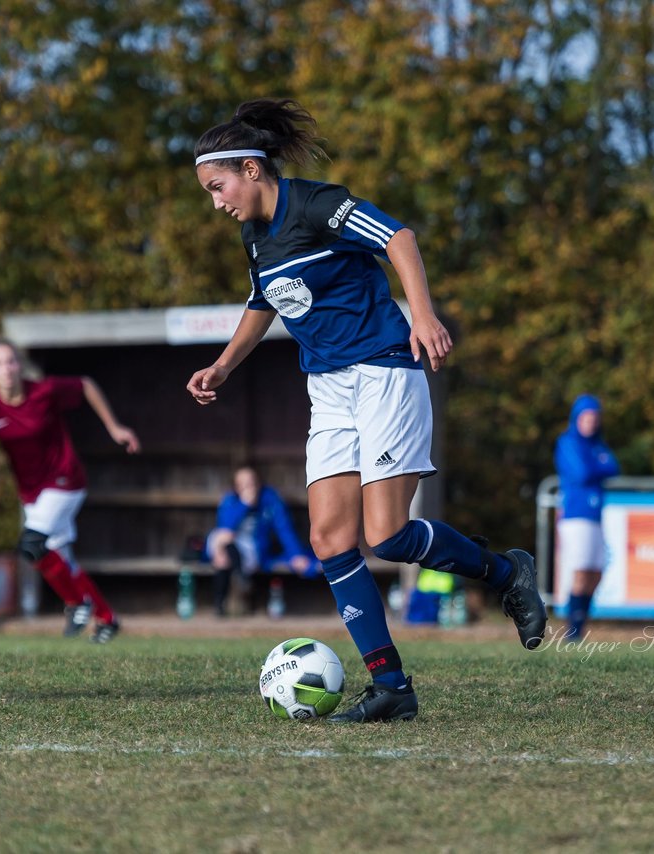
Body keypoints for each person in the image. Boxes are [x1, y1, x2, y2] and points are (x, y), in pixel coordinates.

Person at [186, 98, 547, 723]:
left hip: (383, 372)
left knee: (388, 536)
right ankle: (391, 687)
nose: (216, 202)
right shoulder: (253, 235)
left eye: (217, 187)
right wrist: (222, 365)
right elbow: (263, 301)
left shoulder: (319, 204)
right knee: (330, 540)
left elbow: (398, 236)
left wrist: (422, 313)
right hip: (326, 389)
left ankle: (503, 571)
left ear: (250, 169)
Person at [0, 338, 140, 643]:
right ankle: (107, 618)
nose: (6, 369)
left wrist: (114, 427)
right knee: (63, 561)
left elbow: (86, 385)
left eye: (11, 361)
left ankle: (77, 602)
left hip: (65, 480)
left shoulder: (43, 390)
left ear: (19, 365)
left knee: (31, 543)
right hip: (32, 493)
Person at [207, 464, 317, 617]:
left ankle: (223, 601)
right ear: (236, 487)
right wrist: (244, 505)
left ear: (258, 483)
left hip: (252, 550)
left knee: (223, 550)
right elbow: (225, 527)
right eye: (243, 484)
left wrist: (296, 554)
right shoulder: (230, 501)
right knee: (222, 541)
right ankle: (238, 581)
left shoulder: (269, 499)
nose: (248, 488)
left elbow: (284, 528)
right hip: (227, 548)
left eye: (251, 483)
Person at [554, 394, 620, 641]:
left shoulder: (597, 444)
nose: (591, 422)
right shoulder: (568, 441)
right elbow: (581, 472)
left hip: (595, 515)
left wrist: (595, 465)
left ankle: (580, 625)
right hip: (576, 515)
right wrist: (597, 466)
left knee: (597, 571)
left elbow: (614, 466)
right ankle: (573, 631)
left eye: (595, 418)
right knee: (581, 571)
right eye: (586, 417)